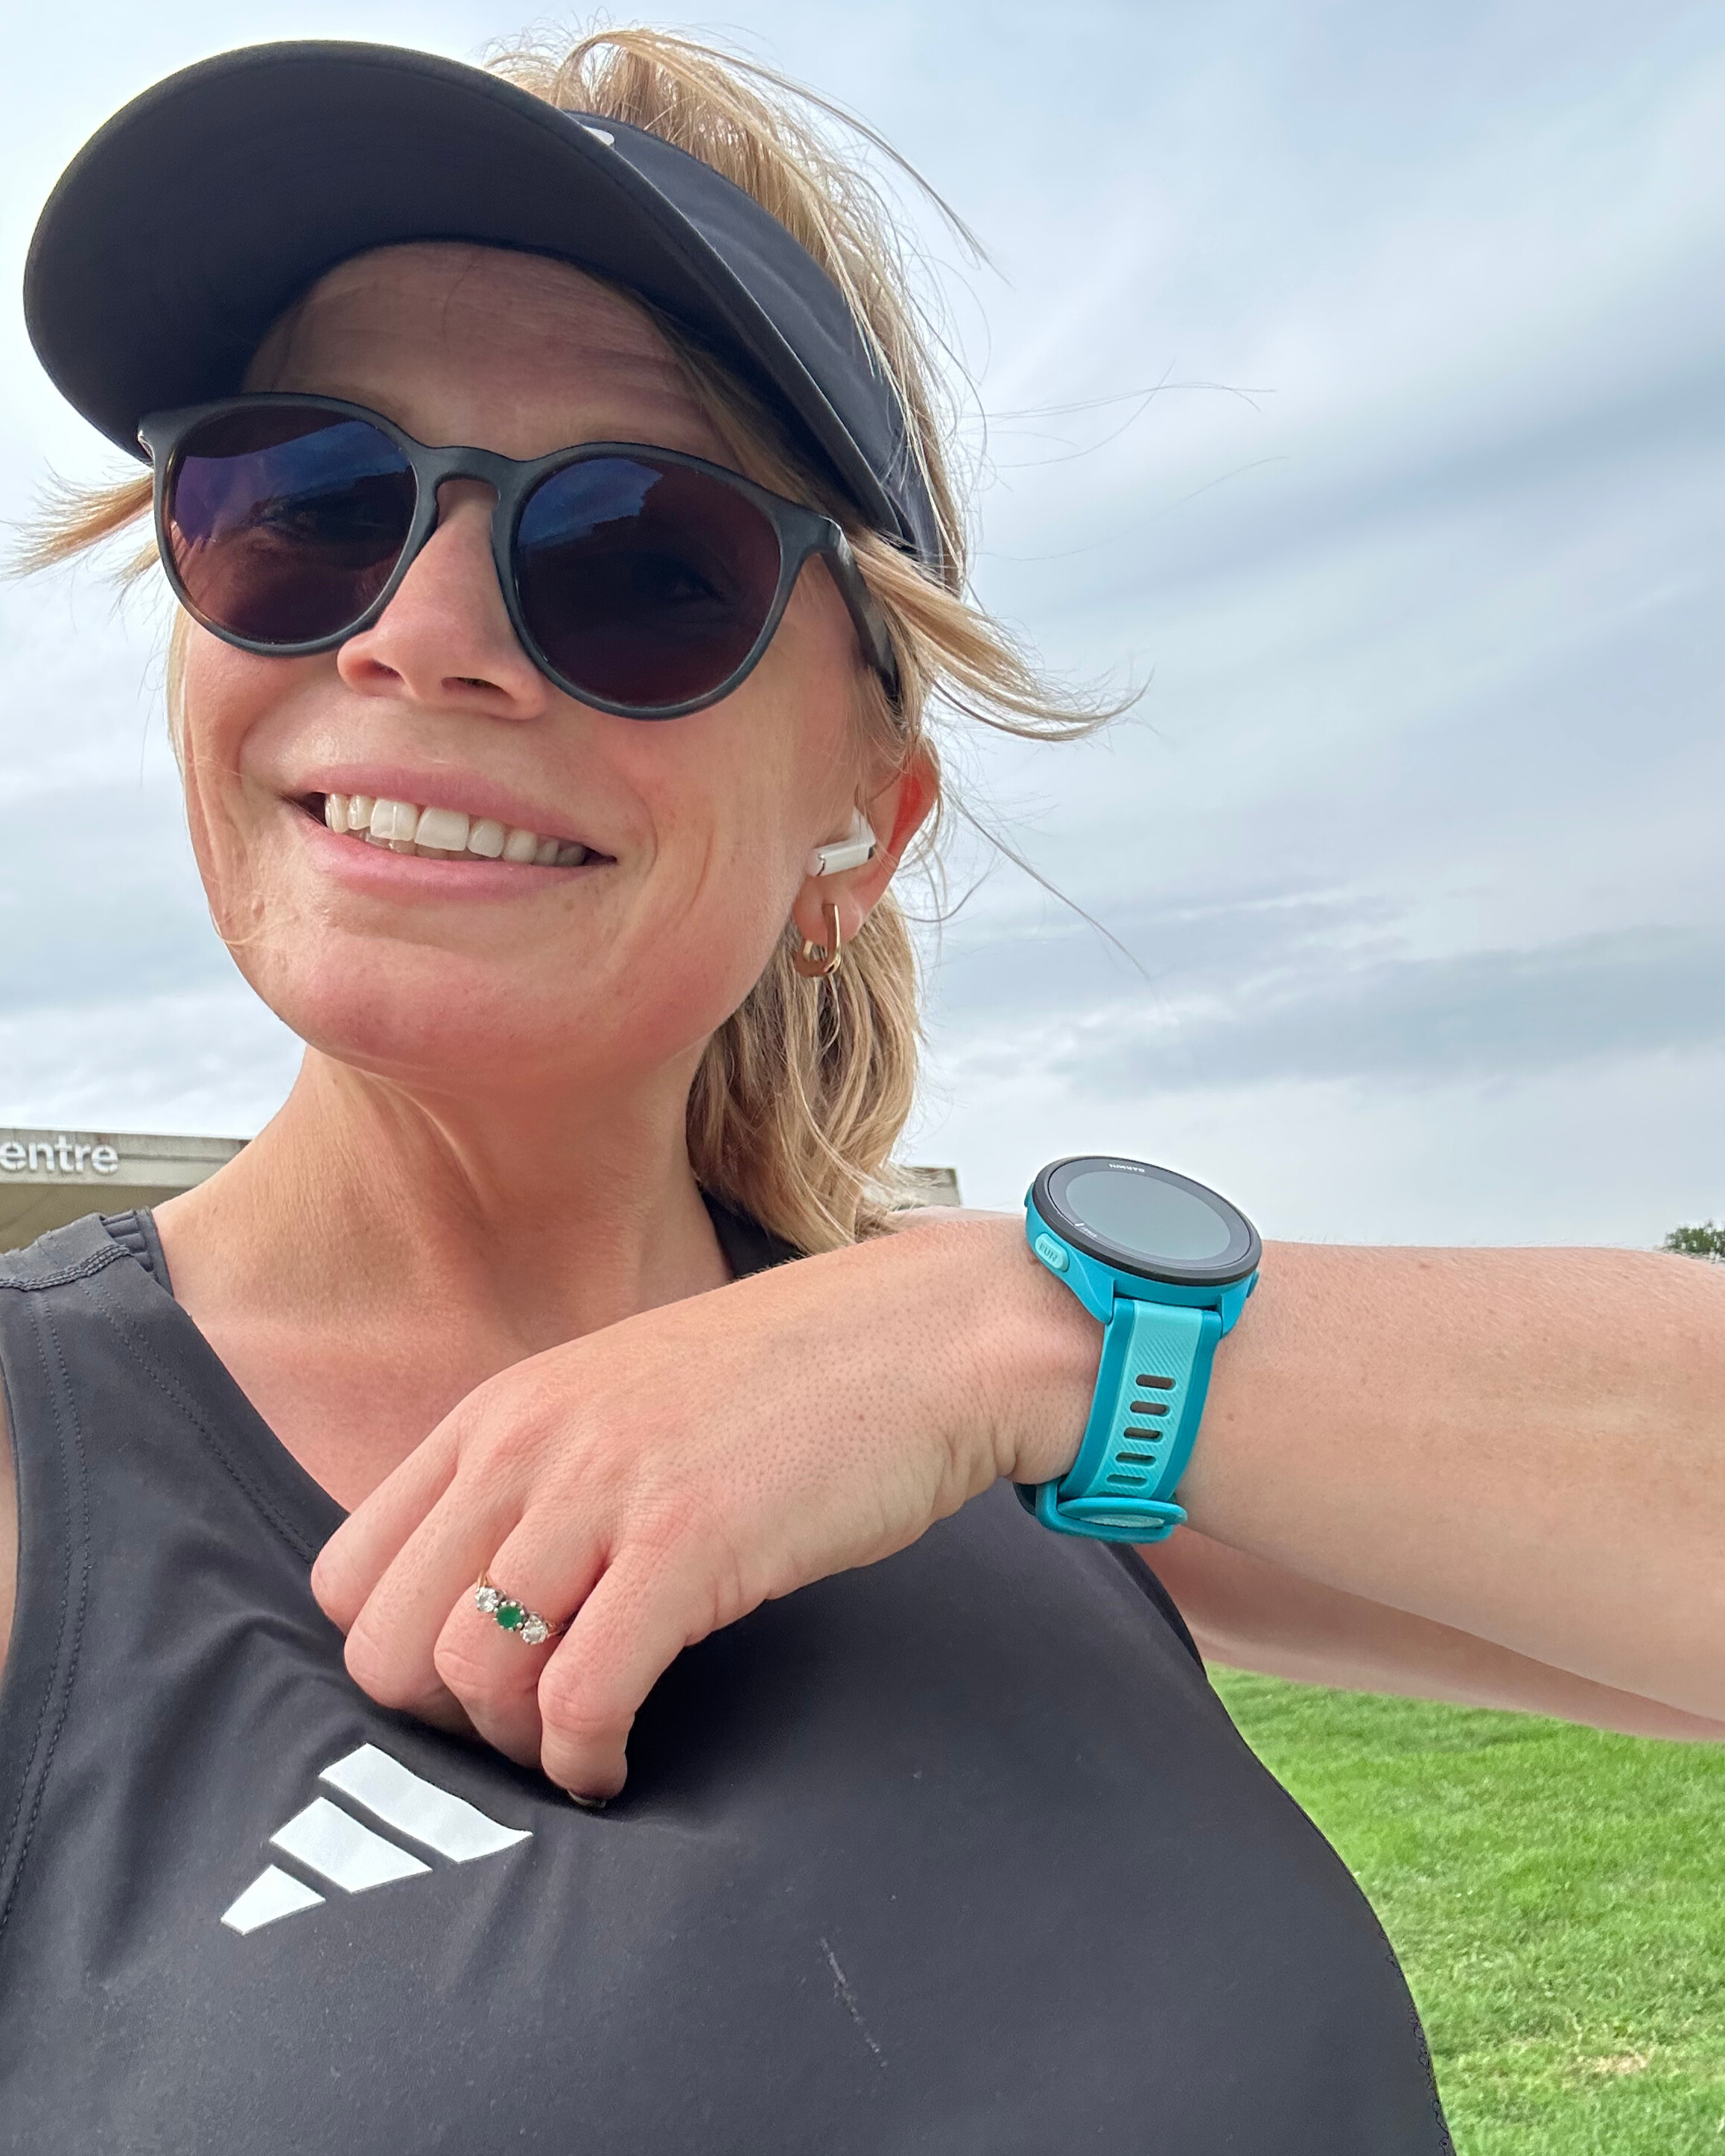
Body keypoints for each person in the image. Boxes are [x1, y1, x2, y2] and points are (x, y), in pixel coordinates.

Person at [1, 28, 1719, 2155]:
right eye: (301, 503)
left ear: (862, 816)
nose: (422, 633)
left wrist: (1005, 1329)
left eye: (642, 557)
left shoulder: (1031, 1448)